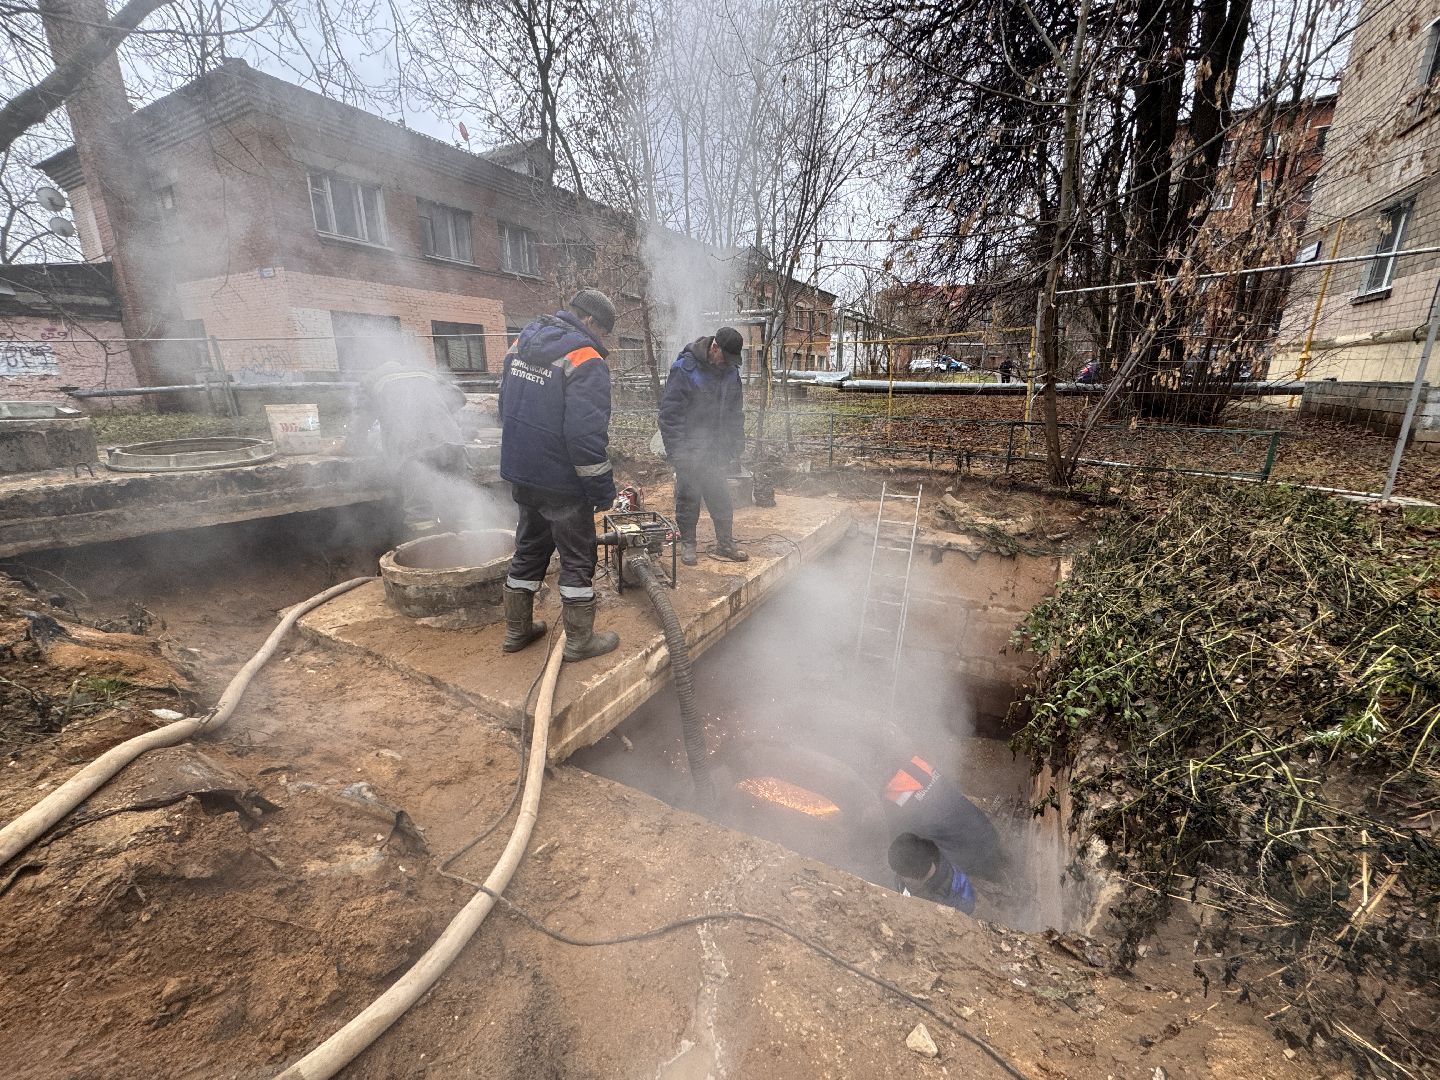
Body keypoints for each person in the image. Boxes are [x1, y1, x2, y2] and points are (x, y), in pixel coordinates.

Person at [498, 288, 619, 662]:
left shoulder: (521, 341)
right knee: (577, 555)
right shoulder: (586, 358)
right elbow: (584, 435)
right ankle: (580, 641)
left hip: (522, 472)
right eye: (602, 330)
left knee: (531, 546)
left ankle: (517, 630)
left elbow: (504, 404)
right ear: (590, 321)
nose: (601, 339)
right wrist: (601, 490)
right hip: (562, 481)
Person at [659, 326, 748, 567]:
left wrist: (735, 443)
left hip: (715, 450)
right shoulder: (685, 370)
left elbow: (734, 413)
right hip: (688, 449)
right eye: (725, 358)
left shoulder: (731, 372)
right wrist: (677, 453)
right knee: (688, 496)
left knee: (720, 496)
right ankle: (689, 544)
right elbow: (670, 416)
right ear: (714, 347)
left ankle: (725, 542)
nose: (727, 364)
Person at [349, 359, 469, 536]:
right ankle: (469, 552)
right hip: (453, 445)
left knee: (421, 514)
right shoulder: (425, 372)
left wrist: (353, 445)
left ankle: (430, 555)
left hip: (412, 450)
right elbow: (459, 398)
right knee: (462, 505)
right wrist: (438, 417)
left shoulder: (370, 381)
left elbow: (361, 422)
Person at [882, 754, 1003, 911]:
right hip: (985, 830)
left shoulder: (892, 798)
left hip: (972, 856)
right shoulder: (916, 764)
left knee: (919, 861)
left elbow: (906, 850)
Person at [889, 833, 978, 914]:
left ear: (918, 878)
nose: (899, 877)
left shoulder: (954, 901)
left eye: (902, 875)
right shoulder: (922, 855)